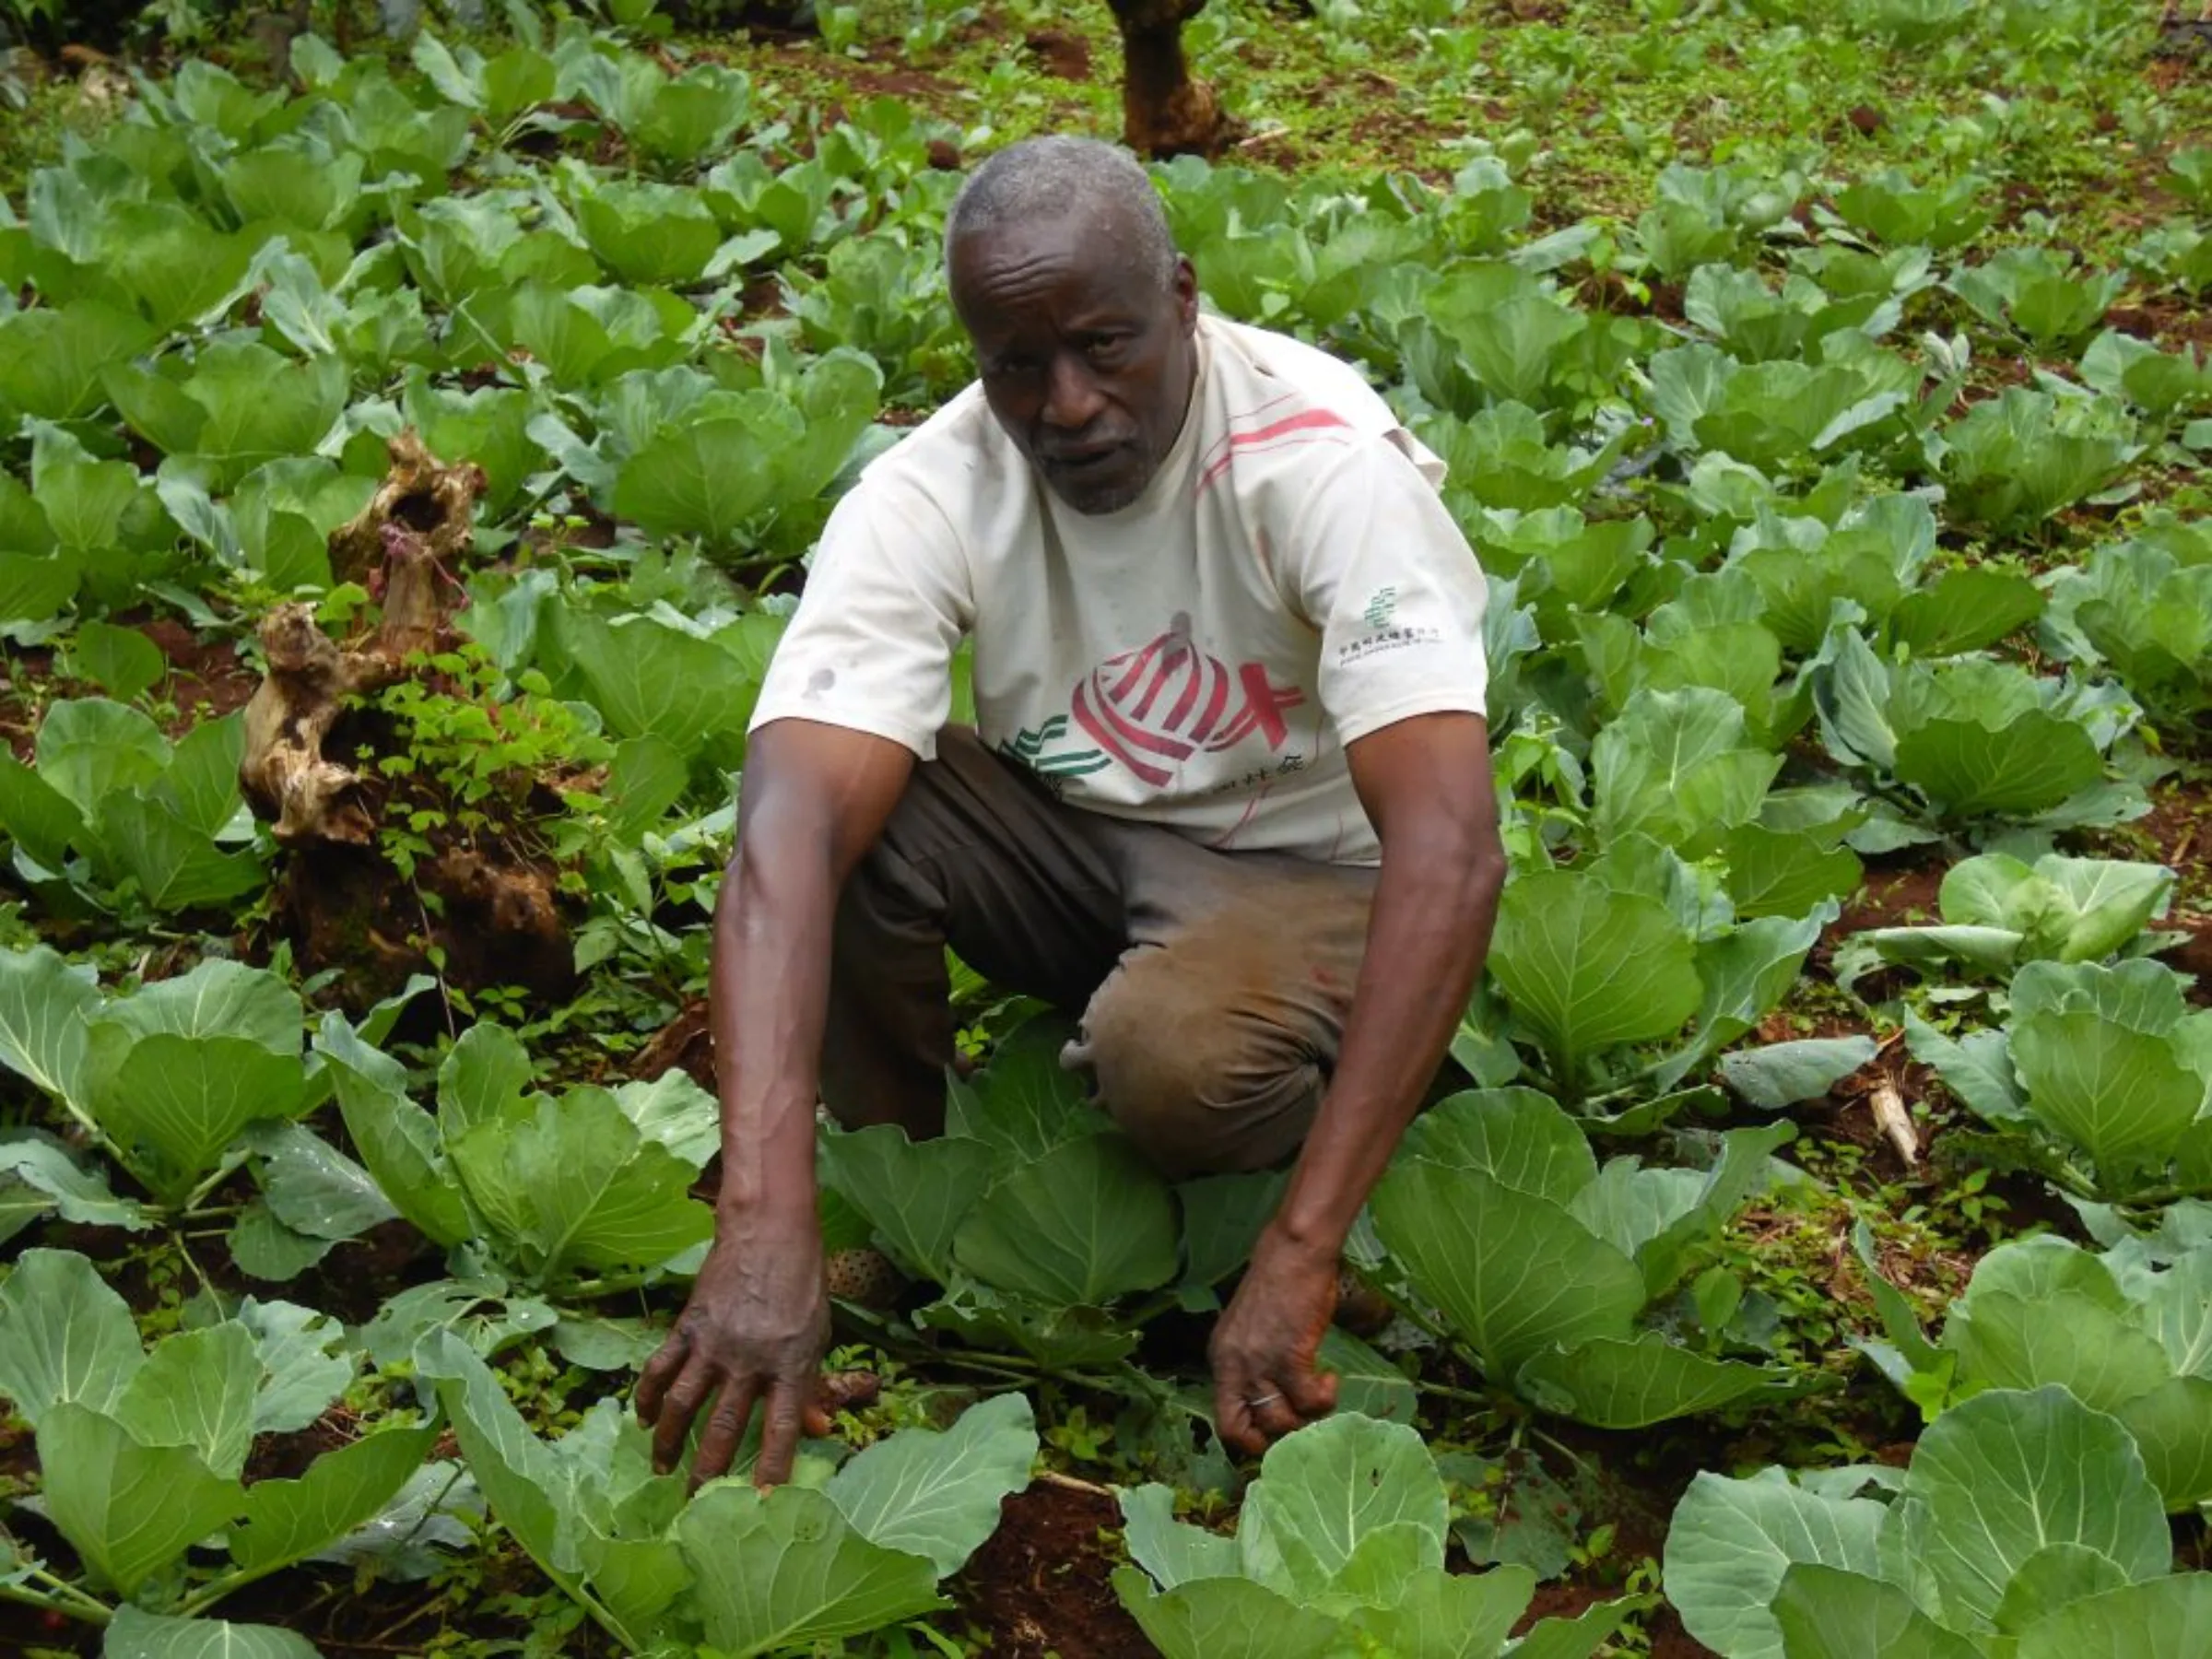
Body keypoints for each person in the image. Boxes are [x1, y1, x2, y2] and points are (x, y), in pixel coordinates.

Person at [635, 133, 1506, 1489]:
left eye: (1108, 346)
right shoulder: (935, 488)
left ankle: (1315, 1172)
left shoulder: (1316, 463)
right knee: (844, 817)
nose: (1071, 405)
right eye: (1017, 367)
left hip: (1316, 868)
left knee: (1168, 1056)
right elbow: (782, 840)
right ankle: (911, 1196)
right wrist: (764, 1212)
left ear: (1184, 299)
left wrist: (1297, 1255)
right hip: (1088, 837)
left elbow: (1451, 851)